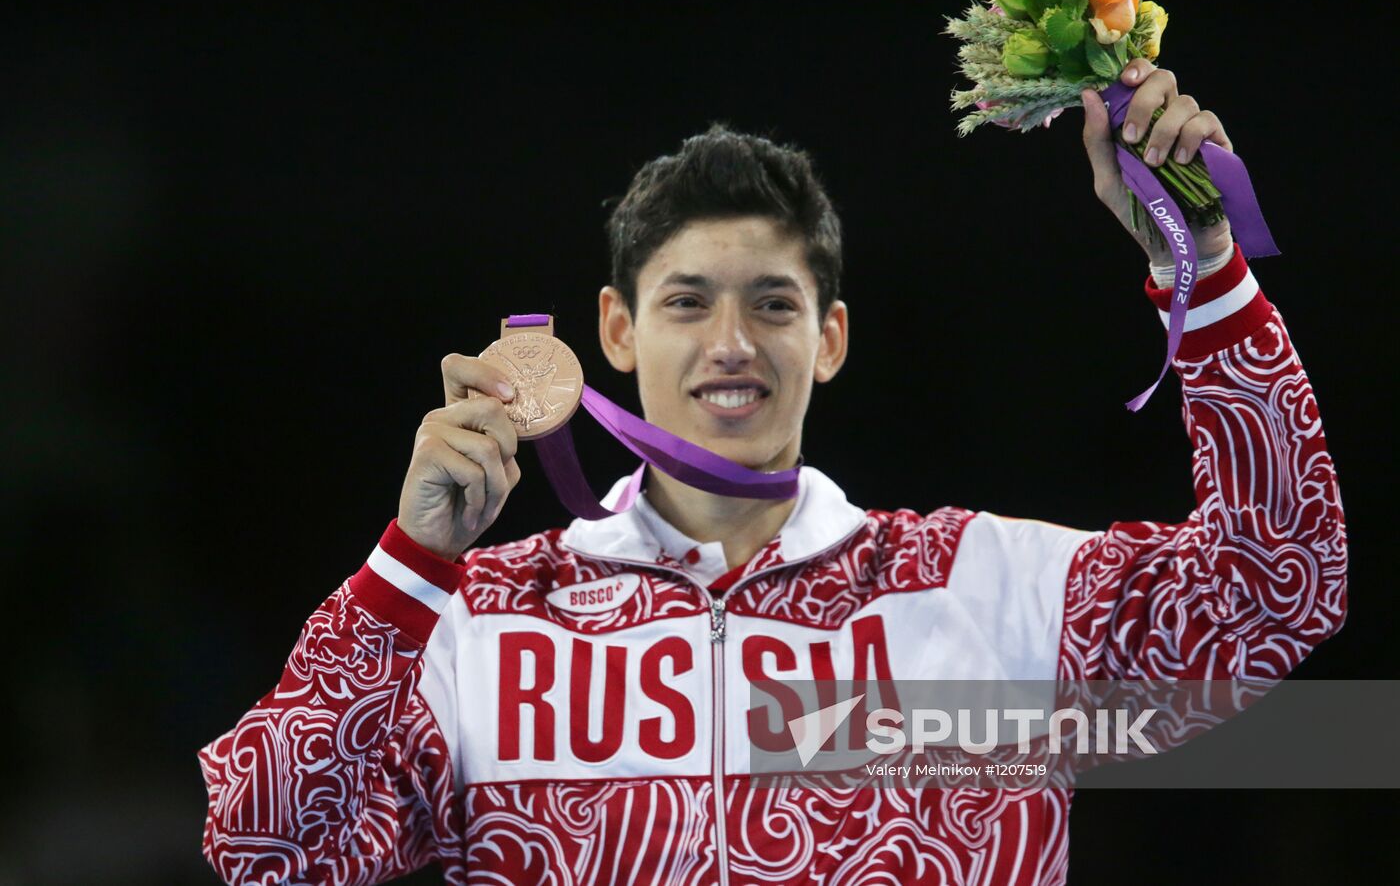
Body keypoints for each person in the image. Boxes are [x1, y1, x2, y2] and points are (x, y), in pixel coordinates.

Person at [197, 59, 1347, 885]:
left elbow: (1276, 584)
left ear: (830, 338)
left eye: (774, 304)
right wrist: (411, 566)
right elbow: (265, 845)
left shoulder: (988, 591)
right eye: (686, 302)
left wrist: (1204, 269)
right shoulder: (482, 625)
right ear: (614, 329)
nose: (731, 343)